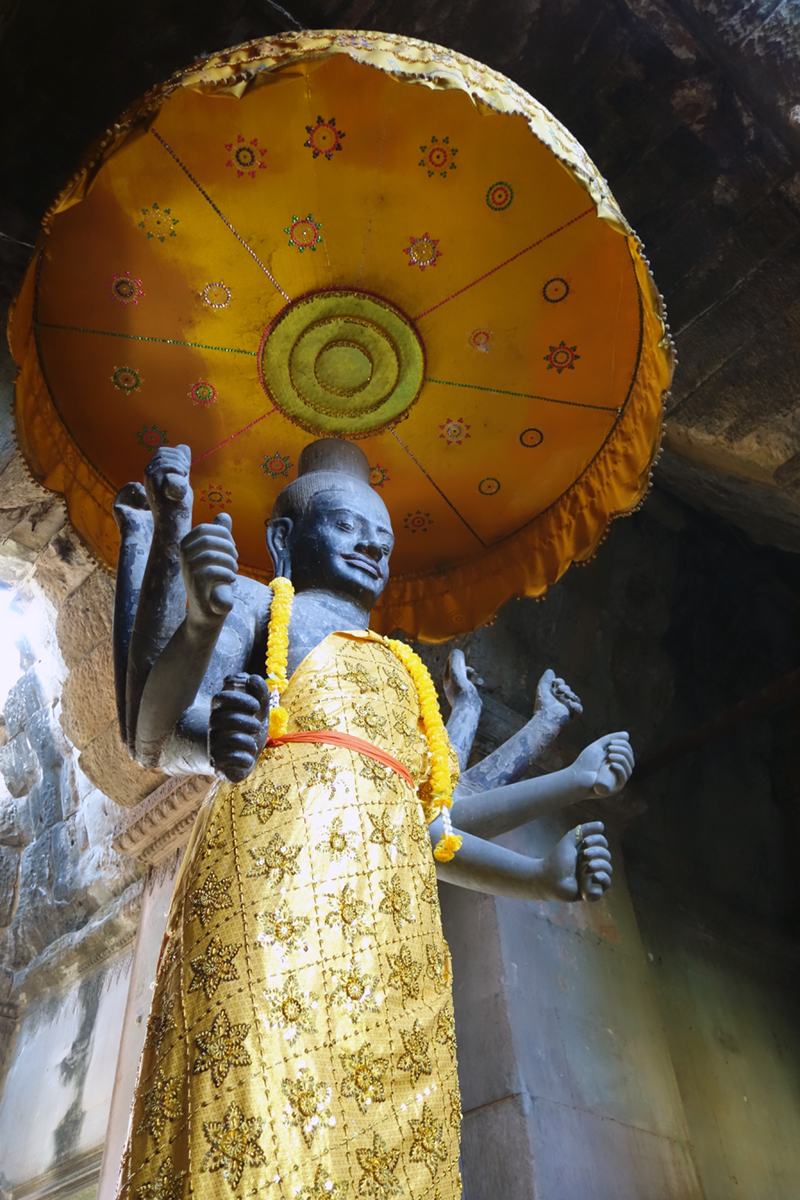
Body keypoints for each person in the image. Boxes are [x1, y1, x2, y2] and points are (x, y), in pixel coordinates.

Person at [113, 439, 632, 1200]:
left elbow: (432, 827)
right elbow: (153, 735)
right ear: (285, 539)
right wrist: (197, 619)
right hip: (270, 885)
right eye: (347, 526)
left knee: (382, 1136)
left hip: (387, 928)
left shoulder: (404, 669)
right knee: (252, 1100)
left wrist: (546, 854)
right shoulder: (263, 605)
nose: (371, 547)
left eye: (384, 539)